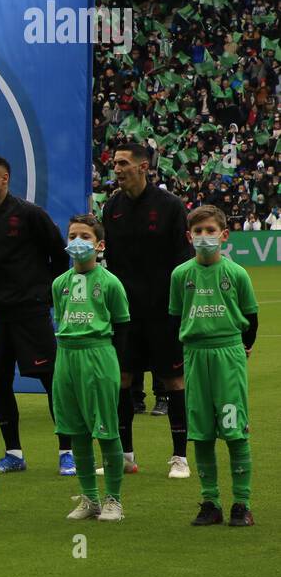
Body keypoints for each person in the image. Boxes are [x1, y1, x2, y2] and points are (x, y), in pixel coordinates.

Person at [0, 155, 72, 475]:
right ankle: (13, 454)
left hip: (30, 312)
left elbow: (58, 256)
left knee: (53, 381)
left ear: (5, 179)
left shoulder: (30, 215)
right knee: (0, 381)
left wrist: (44, 293)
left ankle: (67, 451)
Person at [102, 144, 194, 478]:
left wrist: (178, 307)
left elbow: (183, 258)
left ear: (144, 167)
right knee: (123, 380)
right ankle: (125, 455)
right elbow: (109, 260)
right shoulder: (112, 207)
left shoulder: (169, 206)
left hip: (163, 312)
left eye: (124, 163)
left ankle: (180, 457)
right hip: (126, 315)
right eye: (115, 163)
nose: (117, 168)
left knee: (172, 380)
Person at [170, 206, 258, 527]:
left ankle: (241, 504)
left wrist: (242, 348)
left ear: (224, 235)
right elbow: (175, 317)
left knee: (235, 432)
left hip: (227, 355)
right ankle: (210, 502)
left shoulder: (236, 274)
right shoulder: (181, 275)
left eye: (210, 231)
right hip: (195, 355)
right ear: (189, 237)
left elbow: (251, 318)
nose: (204, 237)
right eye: (198, 231)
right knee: (202, 433)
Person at [54, 215, 130, 522]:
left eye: (84, 236)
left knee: (107, 430)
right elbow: (62, 319)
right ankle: (89, 499)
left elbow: (122, 328)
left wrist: (120, 368)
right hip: (66, 357)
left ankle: (114, 499)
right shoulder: (59, 283)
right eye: (72, 235)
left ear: (99, 245)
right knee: (77, 432)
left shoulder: (110, 283)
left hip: (98, 356)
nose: (77, 242)